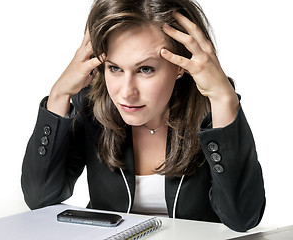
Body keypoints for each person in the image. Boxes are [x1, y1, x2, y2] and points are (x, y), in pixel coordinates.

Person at [21, 0, 265, 232]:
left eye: (145, 69)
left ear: (181, 64)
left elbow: (242, 217)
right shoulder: (91, 106)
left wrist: (224, 99)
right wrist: (59, 94)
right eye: (114, 68)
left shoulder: (213, 111)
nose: (126, 93)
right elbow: (40, 198)